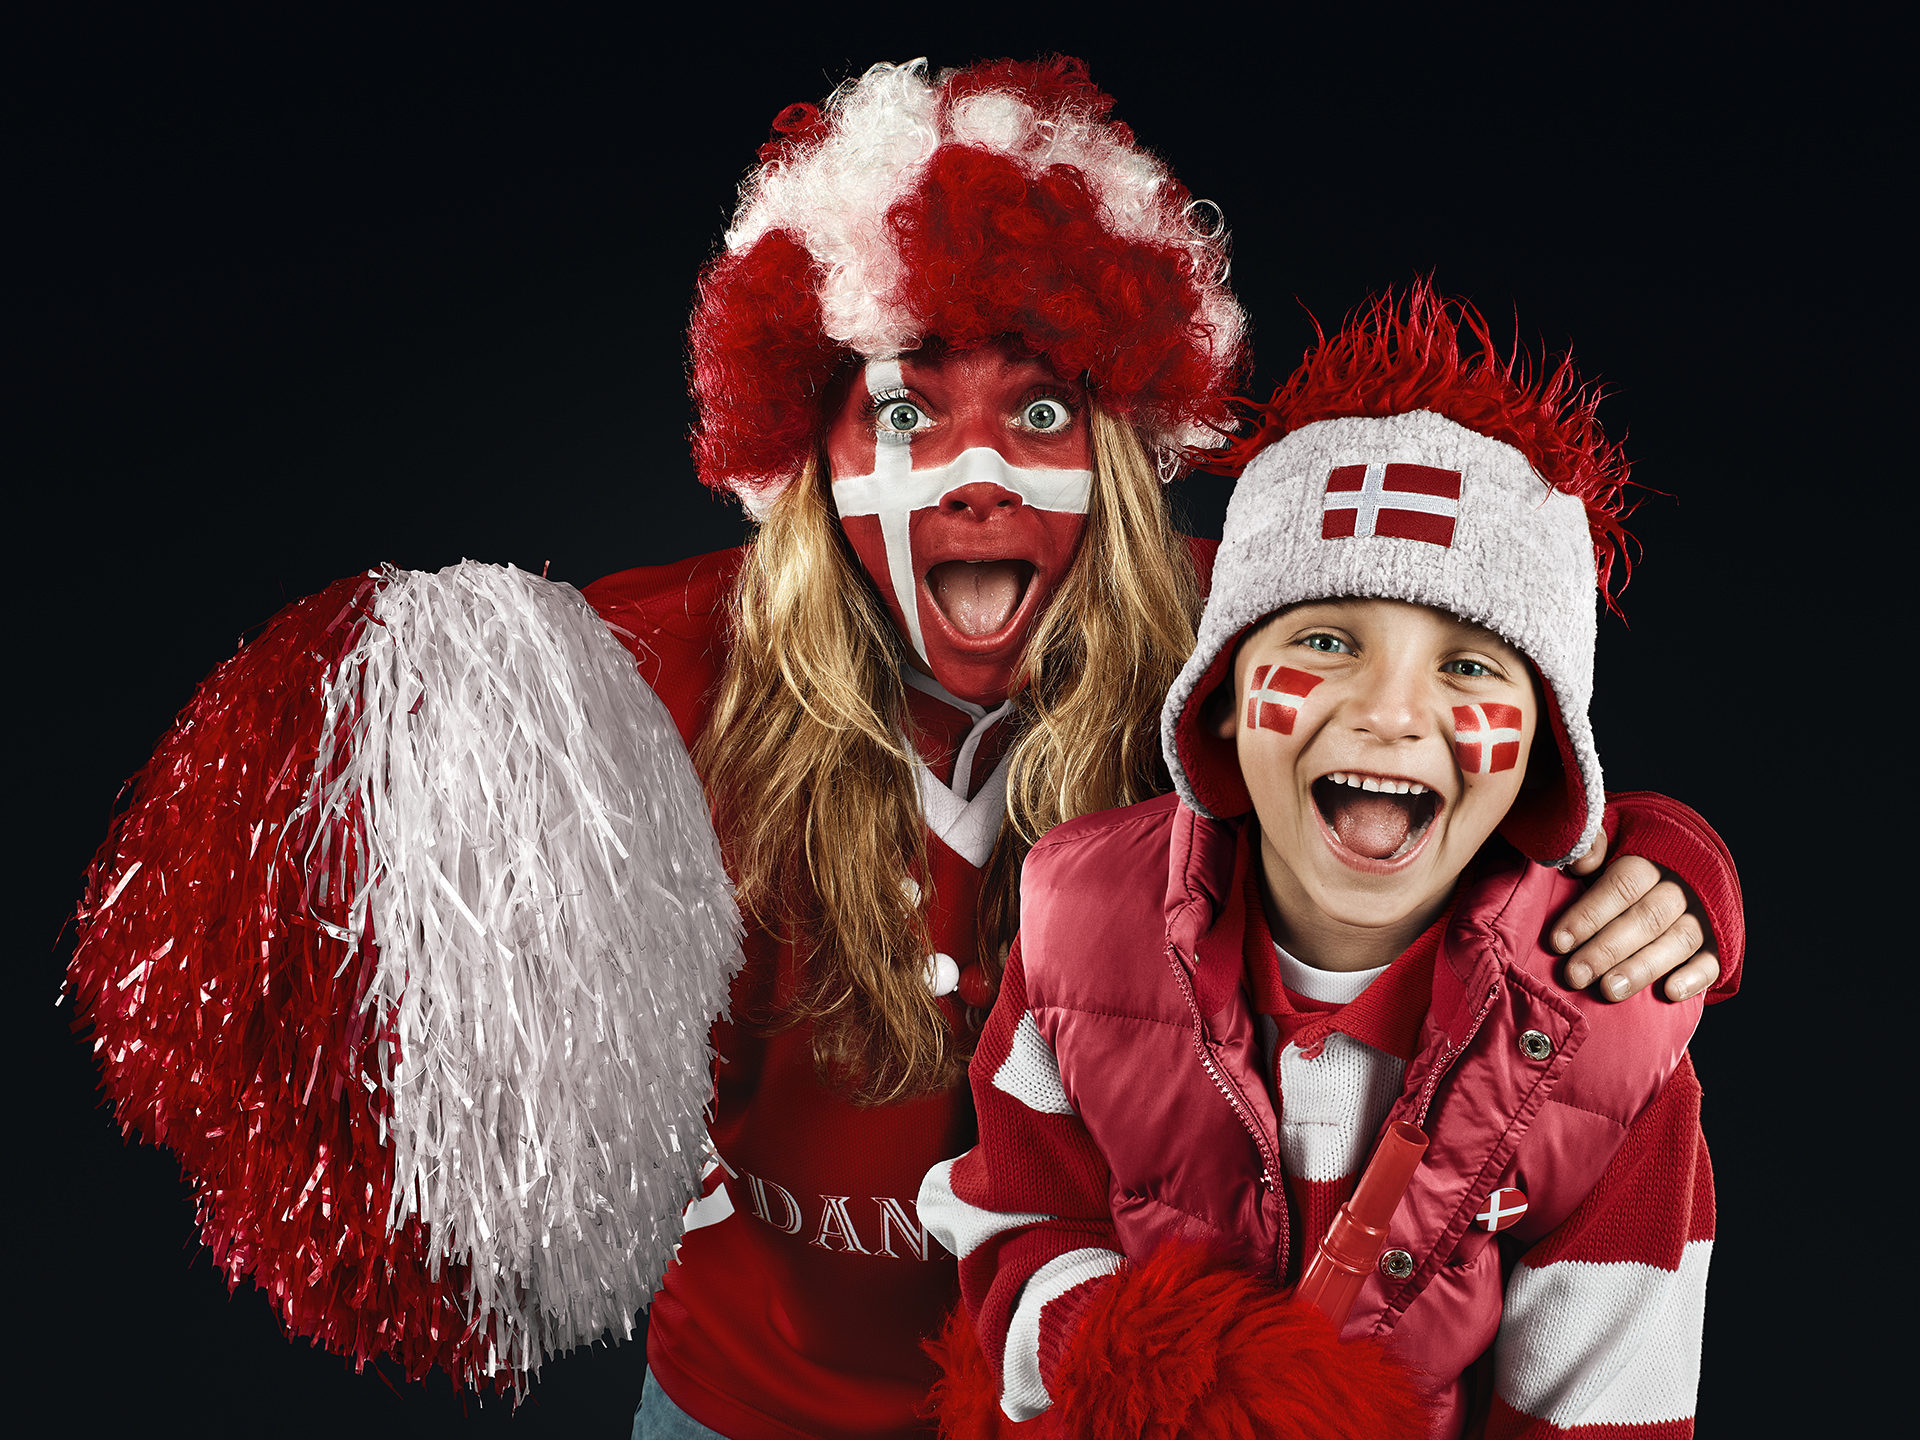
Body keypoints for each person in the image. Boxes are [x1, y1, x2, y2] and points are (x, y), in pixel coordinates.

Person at [596, 64, 1737, 1440]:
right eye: (902, 412)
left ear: (1126, 450)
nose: (974, 474)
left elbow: (1490, 749)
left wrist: (1673, 873)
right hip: (758, 1397)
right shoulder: (673, 665)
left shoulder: (1250, 632)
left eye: (1037, 414)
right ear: (809, 460)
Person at [923, 284, 1720, 1439]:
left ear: (1547, 751)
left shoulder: (1612, 1035)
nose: (1392, 715)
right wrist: (1165, 1373)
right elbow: (1010, 1236)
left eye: (1470, 666)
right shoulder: (1076, 922)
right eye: (1327, 640)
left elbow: (1613, 1408)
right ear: (1227, 696)